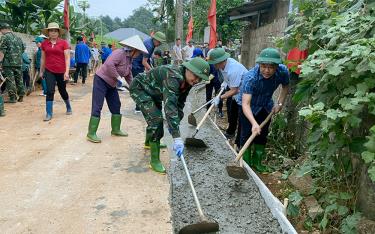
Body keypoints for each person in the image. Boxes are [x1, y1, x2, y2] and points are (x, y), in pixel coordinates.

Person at [129, 57, 210, 174]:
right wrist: (177, 137)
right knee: (156, 121)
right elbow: (170, 107)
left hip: (156, 92)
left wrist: (175, 124)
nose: (197, 80)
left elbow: (179, 104)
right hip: (141, 89)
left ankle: (148, 143)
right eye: (196, 76)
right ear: (188, 69)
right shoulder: (173, 76)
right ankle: (154, 160)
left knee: (157, 119)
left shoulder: (188, 80)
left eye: (200, 78)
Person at [87, 35, 148, 143]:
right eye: (139, 52)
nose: (139, 54)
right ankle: (91, 133)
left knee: (116, 104)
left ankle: (115, 129)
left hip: (111, 84)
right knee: (97, 106)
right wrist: (119, 78)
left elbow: (128, 75)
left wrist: (133, 86)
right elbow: (109, 65)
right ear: (133, 49)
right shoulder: (119, 53)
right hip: (101, 80)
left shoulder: (130, 59)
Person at [239, 48, 289, 173]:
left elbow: (285, 86)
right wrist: (254, 123)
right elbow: (246, 104)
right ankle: (246, 162)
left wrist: (280, 103)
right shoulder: (250, 77)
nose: (267, 70)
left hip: (266, 105)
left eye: (271, 67)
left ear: (277, 66)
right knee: (246, 133)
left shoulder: (283, 72)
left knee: (262, 134)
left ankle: (257, 162)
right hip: (248, 107)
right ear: (259, 65)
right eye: (263, 66)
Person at [208, 48, 247, 140]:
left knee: (242, 118)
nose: (213, 65)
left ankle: (239, 142)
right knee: (232, 112)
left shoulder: (233, 70)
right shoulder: (223, 65)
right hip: (236, 93)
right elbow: (227, 79)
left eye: (215, 63)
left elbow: (234, 90)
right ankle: (230, 132)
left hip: (245, 94)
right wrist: (224, 85)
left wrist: (220, 97)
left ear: (222, 61)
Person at [40, 22, 72, 121]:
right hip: (49, 70)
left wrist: (67, 72)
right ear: (48, 32)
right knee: (50, 91)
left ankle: (68, 106)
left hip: (61, 71)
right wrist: (41, 71)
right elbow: (43, 59)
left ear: (58, 32)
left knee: (62, 91)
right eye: (51, 31)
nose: (53, 33)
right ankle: (49, 113)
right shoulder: (44, 43)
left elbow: (67, 58)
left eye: (55, 31)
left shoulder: (63, 43)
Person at [131, 31, 166, 113]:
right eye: (160, 42)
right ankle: (138, 108)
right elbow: (144, 62)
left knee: (144, 85)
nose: (160, 44)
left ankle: (142, 106)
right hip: (136, 65)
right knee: (139, 86)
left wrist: (151, 70)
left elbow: (148, 60)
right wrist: (154, 72)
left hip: (140, 65)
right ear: (156, 39)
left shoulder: (152, 43)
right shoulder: (149, 45)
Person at [0, 22, 25, 103]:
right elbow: (23, 49)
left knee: (10, 80)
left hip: (8, 63)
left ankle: (13, 98)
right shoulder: (18, 38)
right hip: (19, 62)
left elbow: (2, 51)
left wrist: (0, 61)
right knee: (19, 79)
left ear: (3, 29)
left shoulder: (4, 37)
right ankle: (21, 96)